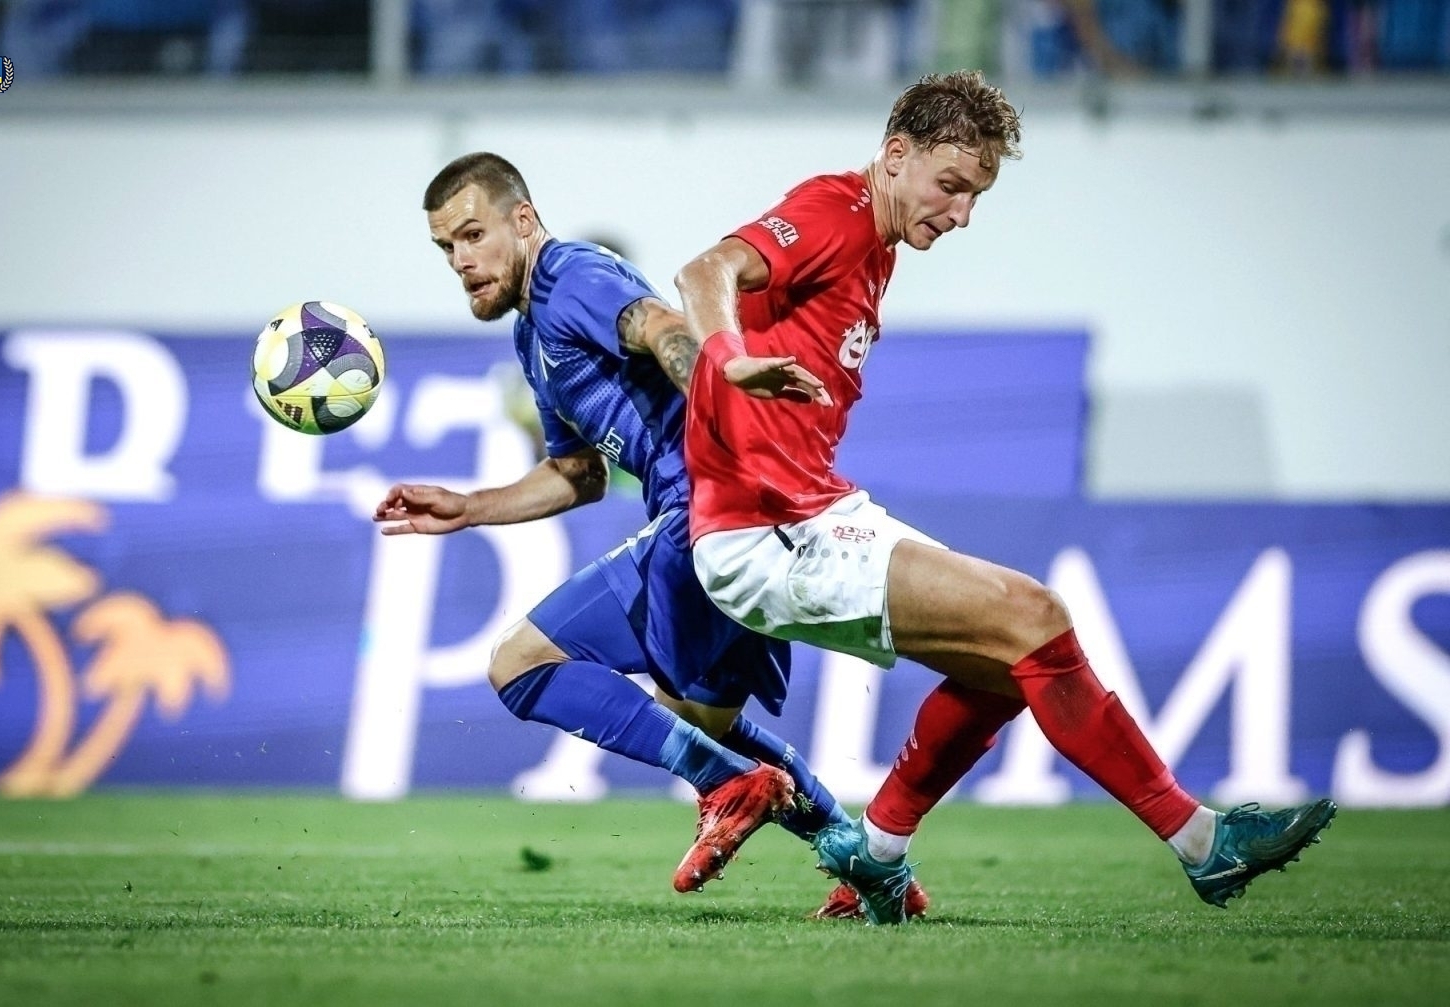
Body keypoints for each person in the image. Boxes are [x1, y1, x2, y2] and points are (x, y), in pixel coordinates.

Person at [672, 70, 1338, 924]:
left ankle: (876, 851)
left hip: (809, 512)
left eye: (976, 196)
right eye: (951, 185)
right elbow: (706, 270)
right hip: (768, 527)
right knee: (1035, 616)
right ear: (896, 154)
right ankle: (1203, 844)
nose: (961, 214)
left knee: (1011, 664)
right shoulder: (836, 211)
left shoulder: (877, 243)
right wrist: (728, 360)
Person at [373, 152, 899, 908]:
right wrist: (470, 506)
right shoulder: (532, 338)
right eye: (446, 247)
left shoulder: (570, 275)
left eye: (473, 234)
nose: (461, 260)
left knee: (520, 664)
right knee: (704, 719)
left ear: (523, 220)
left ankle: (726, 784)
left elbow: (660, 326)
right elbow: (579, 472)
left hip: (705, 507)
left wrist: (719, 392)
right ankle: (872, 869)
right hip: (725, 514)